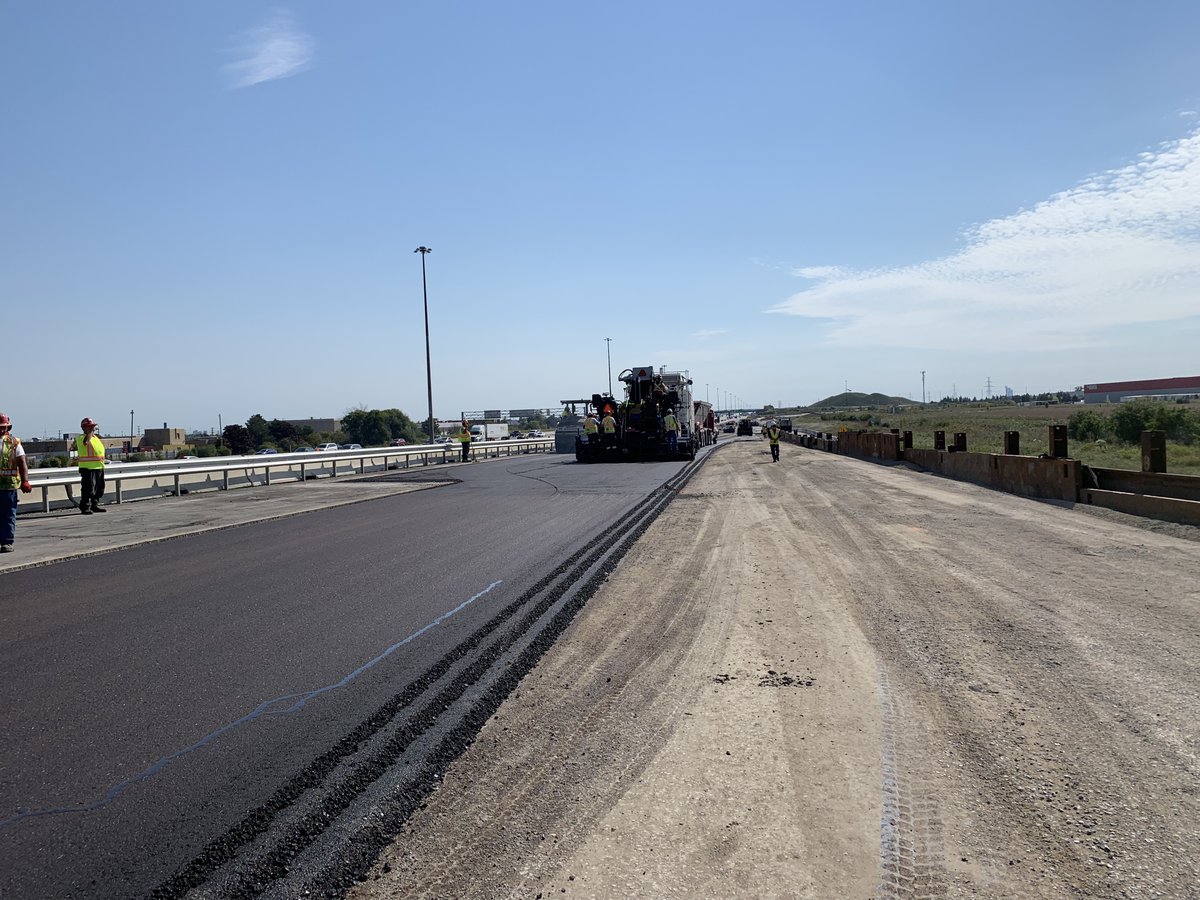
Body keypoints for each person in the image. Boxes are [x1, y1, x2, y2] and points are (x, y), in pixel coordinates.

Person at [0, 413, 34, 552]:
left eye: (3, 427)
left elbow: (22, 462)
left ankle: (7, 541)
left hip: (9, 485)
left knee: (8, 514)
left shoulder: (14, 443)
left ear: (7, 427)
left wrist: (25, 481)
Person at [74, 417, 108, 513]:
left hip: (98, 467)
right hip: (87, 468)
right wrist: (90, 432)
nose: (93, 429)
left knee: (99, 489)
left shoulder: (95, 438)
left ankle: (94, 504)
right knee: (88, 489)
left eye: (93, 427)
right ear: (84, 428)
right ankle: (84, 507)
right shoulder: (81, 438)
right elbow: (86, 442)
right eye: (91, 427)